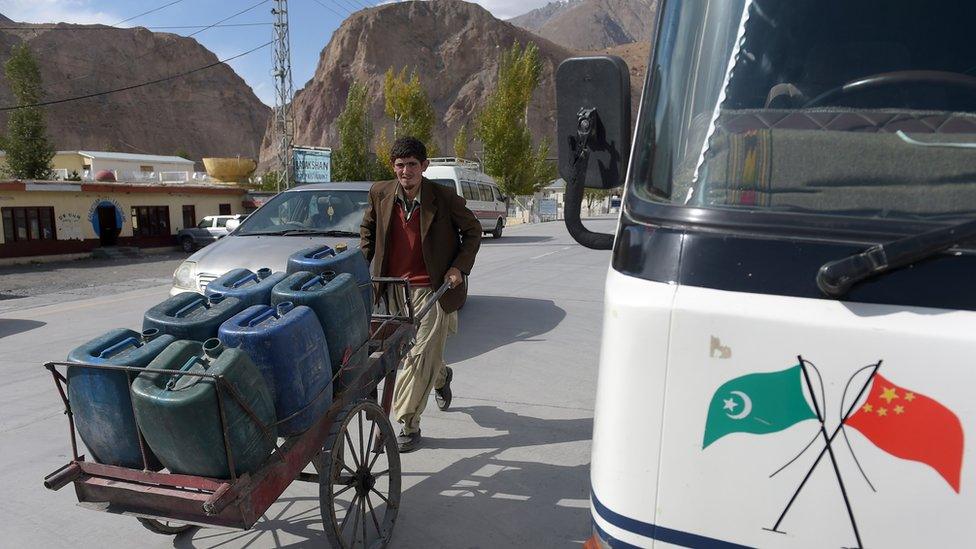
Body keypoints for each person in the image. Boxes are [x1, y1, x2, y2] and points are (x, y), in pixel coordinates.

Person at [360, 136, 482, 452]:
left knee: (418, 354)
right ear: (393, 167)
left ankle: (407, 424)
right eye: (400, 165)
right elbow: (368, 231)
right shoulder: (380, 193)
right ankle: (441, 376)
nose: (406, 171)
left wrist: (459, 267)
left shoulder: (444, 197)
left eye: (413, 165)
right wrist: (362, 263)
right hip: (391, 288)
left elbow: (473, 231)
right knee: (414, 354)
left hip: (433, 288)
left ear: (424, 166)